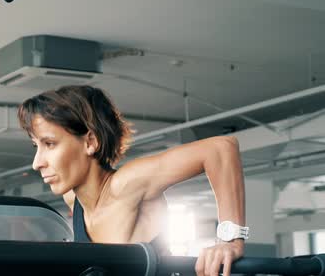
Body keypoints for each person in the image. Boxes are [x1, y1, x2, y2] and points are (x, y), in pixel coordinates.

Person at [17, 85, 246, 276]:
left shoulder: (125, 185)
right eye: (36, 146)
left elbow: (220, 149)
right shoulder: (74, 200)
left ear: (90, 141)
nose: (37, 162)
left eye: (49, 144)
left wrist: (230, 241)